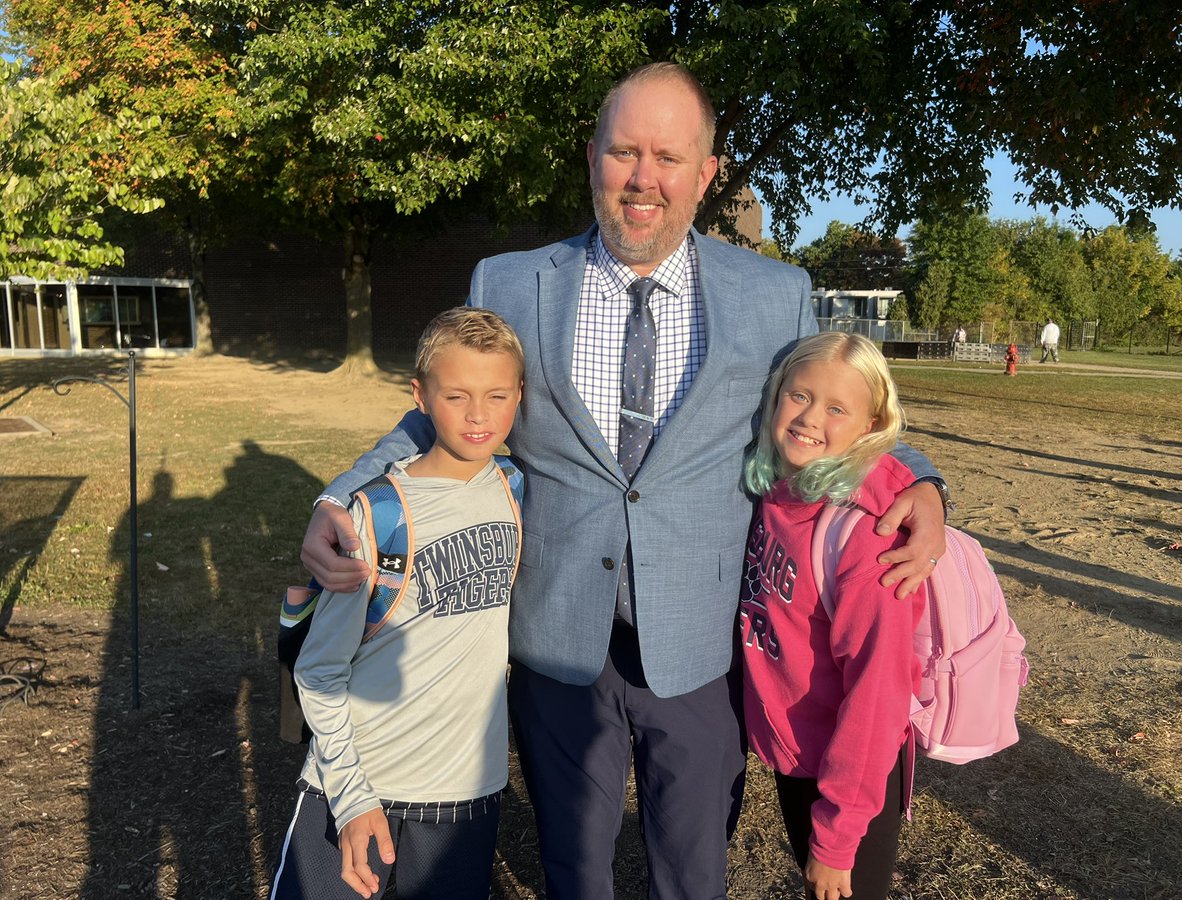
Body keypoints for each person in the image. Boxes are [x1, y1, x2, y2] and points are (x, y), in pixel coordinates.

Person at [301, 63, 949, 899]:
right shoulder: (508, 283)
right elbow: (444, 412)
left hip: (702, 644)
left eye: (669, 158)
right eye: (625, 153)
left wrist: (923, 482)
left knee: (692, 869)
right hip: (557, 633)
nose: (645, 179)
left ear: (706, 174)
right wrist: (341, 494)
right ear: (592, 157)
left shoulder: (774, 294)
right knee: (575, 868)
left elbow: (839, 409)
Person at [272, 308, 525, 900]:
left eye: (497, 396)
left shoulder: (515, 488)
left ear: (520, 396)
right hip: (359, 785)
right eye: (456, 396)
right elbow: (319, 670)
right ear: (420, 397)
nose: (479, 415)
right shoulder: (375, 514)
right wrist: (351, 796)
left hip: (467, 790)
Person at [740, 333, 924, 900]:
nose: (810, 418)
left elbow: (877, 698)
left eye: (837, 408)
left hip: (850, 770)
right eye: (799, 396)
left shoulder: (869, 542)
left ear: (871, 427)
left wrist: (839, 838)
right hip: (798, 751)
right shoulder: (778, 492)